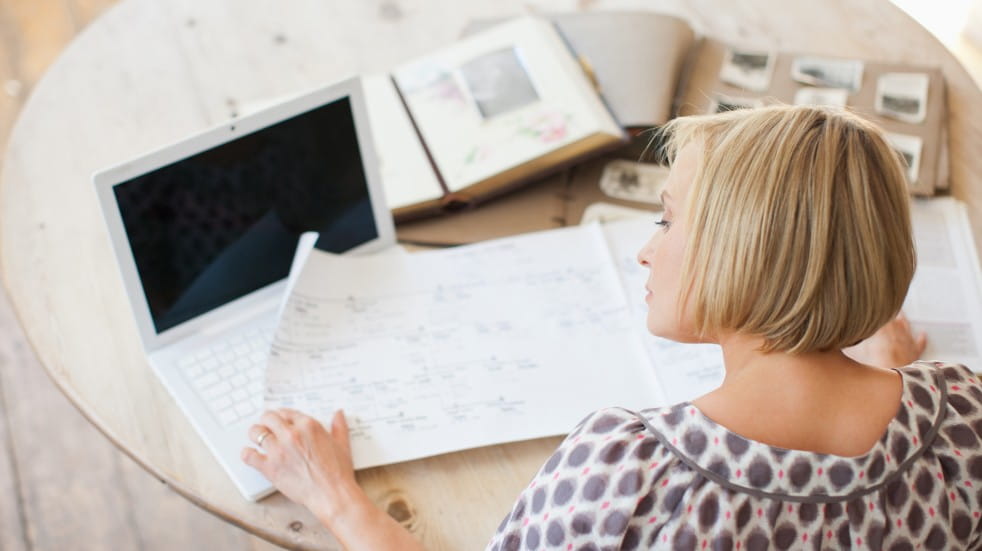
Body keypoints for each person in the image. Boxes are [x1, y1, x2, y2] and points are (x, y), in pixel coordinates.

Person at [241, 105, 982, 550]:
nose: (646, 248)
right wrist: (890, 371)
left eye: (668, 218)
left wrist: (337, 497)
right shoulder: (961, 417)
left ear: (740, 252)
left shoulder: (631, 473)